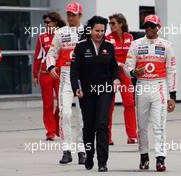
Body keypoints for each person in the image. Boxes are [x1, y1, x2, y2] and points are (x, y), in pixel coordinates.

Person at [124, 14, 177, 172]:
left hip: (159, 86)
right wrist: (134, 72)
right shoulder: (135, 44)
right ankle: (144, 157)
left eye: (152, 26)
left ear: (158, 27)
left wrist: (173, 96)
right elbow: (127, 67)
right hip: (142, 86)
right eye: (146, 25)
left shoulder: (166, 45)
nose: (148, 29)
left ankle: (160, 158)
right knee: (142, 126)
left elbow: (172, 71)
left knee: (159, 125)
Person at [70, 16, 120, 172]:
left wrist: (116, 79)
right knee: (89, 126)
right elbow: (74, 71)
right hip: (87, 92)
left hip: (105, 90)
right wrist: (76, 87)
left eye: (102, 31)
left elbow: (114, 67)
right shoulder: (80, 47)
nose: (100, 33)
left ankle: (102, 161)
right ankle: (89, 154)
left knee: (102, 124)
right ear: (90, 30)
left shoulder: (109, 46)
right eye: (97, 30)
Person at [46, 2, 86, 165]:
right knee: (66, 114)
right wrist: (50, 66)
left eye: (73, 15)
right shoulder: (60, 32)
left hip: (84, 77)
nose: (70, 17)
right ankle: (67, 150)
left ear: (80, 16)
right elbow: (51, 53)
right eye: (68, 14)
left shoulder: (87, 32)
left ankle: (82, 151)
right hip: (65, 75)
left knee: (83, 117)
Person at [33, 12, 66, 141]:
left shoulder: (63, 35)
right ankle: (50, 131)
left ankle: (57, 125)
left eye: (48, 22)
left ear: (55, 22)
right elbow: (38, 57)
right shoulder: (42, 37)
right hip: (45, 74)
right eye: (45, 23)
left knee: (61, 103)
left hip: (59, 73)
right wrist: (35, 75)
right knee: (48, 104)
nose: (46, 25)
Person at [105, 13, 137, 145]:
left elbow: (133, 55)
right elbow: (107, 58)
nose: (110, 26)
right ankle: (107, 137)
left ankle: (132, 136)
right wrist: (118, 64)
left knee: (129, 103)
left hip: (126, 74)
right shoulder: (107, 39)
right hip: (112, 74)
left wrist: (130, 67)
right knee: (109, 106)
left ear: (121, 24)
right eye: (110, 23)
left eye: (113, 23)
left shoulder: (130, 37)